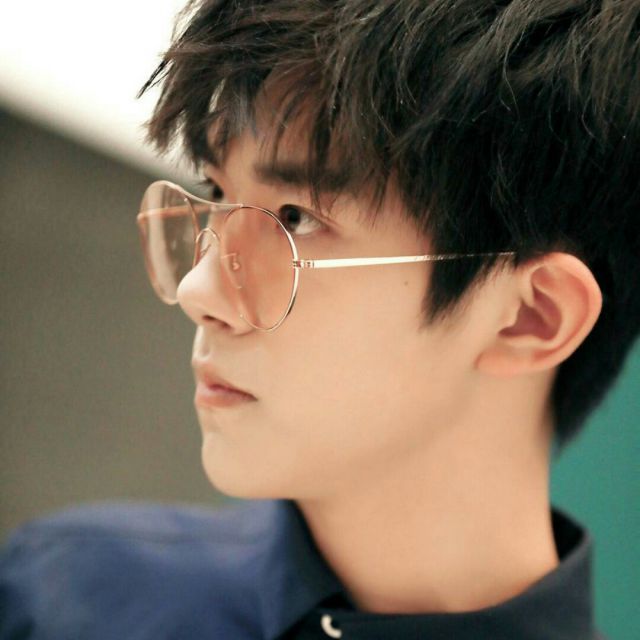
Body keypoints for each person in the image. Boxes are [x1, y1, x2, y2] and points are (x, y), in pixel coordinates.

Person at [1, 0, 638, 638]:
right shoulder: (68, 598)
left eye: (296, 219)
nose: (199, 290)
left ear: (531, 317)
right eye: (217, 193)